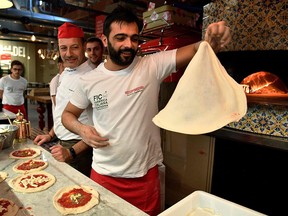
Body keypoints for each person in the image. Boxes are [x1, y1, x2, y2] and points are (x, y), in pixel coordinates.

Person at [61, 6, 231, 216]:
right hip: (104, 176)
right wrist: (82, 129)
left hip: (145, 178)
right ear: (104, 40)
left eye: (134, 38)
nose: (128, 45)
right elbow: (67, 115)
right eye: (120, 37)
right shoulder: (88, 80)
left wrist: (210, 42)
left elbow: (197, 49)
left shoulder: (151, 65)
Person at [34, 22, 95, 177]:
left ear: (83, 47)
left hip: (79, 148)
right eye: (63, 48)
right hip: (62, 143)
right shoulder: (66, 72)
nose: (68, 54)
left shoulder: (92, 77)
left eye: (74, 47)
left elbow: (101, 126)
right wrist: (50, 135)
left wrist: (71, 152)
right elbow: (61, 110)